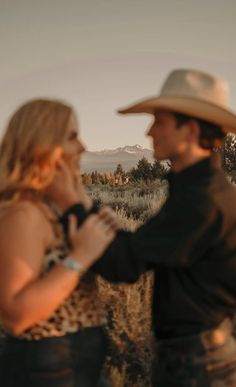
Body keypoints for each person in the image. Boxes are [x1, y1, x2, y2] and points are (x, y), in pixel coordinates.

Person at [59, 69, 236, 386]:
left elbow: (123, 264)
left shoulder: (200, 201)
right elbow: (138, 249)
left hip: (196, 365)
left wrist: (70, 202)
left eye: (160, 121)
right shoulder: (203, 190)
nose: (149, 131)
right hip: (200, 357)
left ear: (190, 130)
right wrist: (92, 211)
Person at [0, 98, 117, 387]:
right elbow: (16, 316)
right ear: (43, 144)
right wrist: (82, 255)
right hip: (43, 373)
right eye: (72, 137)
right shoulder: (23, 213)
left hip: (76, 368)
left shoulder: (52, 207)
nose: (83, 147)